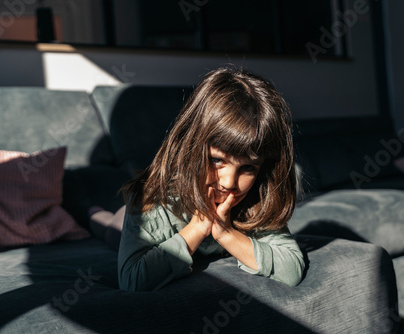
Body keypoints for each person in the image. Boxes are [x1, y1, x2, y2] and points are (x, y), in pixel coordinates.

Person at [117, 67, 305, 292]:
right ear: (190, 149)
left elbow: (291, 269)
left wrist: (225, 233)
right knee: (110, 227)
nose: (228, 183)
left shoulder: (255, 198)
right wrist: (197, 228)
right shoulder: (154, 199)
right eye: (216, 160)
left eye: (247, 167)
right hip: (125, 220)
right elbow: (132, 280)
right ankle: (96, 216)